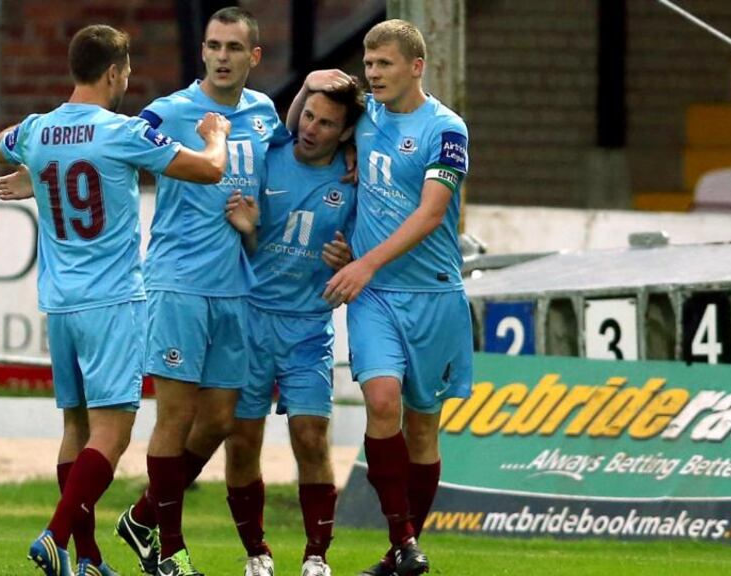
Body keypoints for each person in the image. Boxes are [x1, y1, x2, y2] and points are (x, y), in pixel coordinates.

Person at [0, 23, 231, 576]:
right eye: (126, 72)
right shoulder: (121, 132)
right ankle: (55, 536)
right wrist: (216, 133)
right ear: (115, 72)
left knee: (75, 427)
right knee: (112, 432)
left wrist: (34, 172)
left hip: (60, 303)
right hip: (113, 300)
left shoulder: (38, 130)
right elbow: (209, 170)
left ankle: (91, 559)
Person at [288, 19, 473, 576]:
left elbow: (431, 212)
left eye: (384, 64)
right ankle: (406, 540)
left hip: (434, 293)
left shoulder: (448, 129)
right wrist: (305, 87)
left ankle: (397, 555)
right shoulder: (363, 116)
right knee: (383, 401)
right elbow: (302, 134)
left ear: (416, 66)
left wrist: (365, 259)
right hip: (376, 295)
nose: (373, 73)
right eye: (369, 65)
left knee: (422, 426)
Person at [111, 8, 289, 576]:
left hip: (235, 288)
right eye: (213, 45)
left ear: (253, 57)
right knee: (175, 417)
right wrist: (34, 173)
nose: (220, 56)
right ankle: (170, 549)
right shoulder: (170, 112)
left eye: (234, 47)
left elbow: (297, 167)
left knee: (219, 419)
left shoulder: (265, 116)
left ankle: (142, 516)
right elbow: (113, 150)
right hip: (178, 283)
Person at [218, 82, 363, 576]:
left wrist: (348, 259)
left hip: (307, 327)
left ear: (345, 134)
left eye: (325, 123)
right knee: (241, 439)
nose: (310, 128)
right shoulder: (270, 154)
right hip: (251, 316)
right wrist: (248, 229)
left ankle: (316, 556)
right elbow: (248, 237)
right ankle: (256, 552)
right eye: (308, 116)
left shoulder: (353, 182)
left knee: (310, 436)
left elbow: (363, 252)